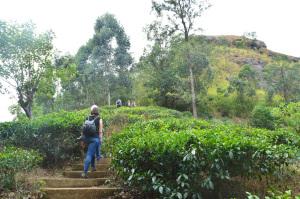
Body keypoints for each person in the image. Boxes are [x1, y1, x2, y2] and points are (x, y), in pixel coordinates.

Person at [81, 105, 103, 178]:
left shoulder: (87, 118)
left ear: (91, 111)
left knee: (91, 151)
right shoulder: (99, 119)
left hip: (86, 138)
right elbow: (100, 131)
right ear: (97, 112)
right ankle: (84, 172)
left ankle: (93, 167)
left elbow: (83, 130)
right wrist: (100, 140)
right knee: (89, 154)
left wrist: (82, 140)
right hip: (94, 139)